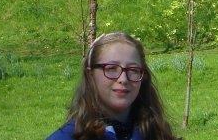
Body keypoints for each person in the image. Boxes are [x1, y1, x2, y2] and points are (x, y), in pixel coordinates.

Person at [46, 32, 180, 140]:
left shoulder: (157, 134)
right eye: (111, 68)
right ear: (90, 74)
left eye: (133, 70)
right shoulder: (65, 137)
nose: (123, 79)